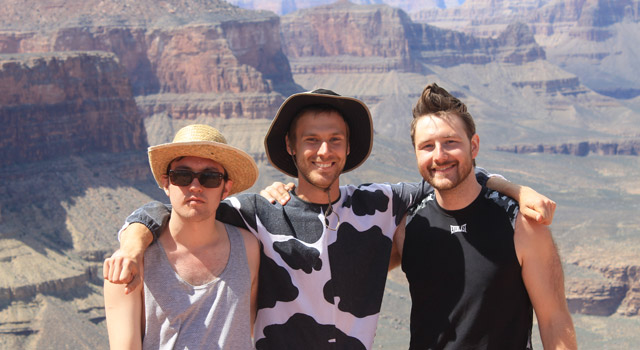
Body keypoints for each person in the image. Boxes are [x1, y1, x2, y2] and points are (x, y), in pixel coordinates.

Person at [104, 89, 555, 349]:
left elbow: (449, 175)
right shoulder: (257, 212)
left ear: (347, 147)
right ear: (291, 148)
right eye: (312, 140)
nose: (324, 150)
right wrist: (132, 242)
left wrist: (515, 189)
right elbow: (177, 208)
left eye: (335, 139)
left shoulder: (381, 204)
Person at [390, 83, 577, 349]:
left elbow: (554, 321)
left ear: (473, 146)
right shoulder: (407, 228)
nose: (439, 156)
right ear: (416, 154)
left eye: (450, 142)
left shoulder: (521, 225)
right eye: (427, 146)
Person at [103, 124, 260, 349]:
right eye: (183, 176)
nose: (195, 186)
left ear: (226, 188)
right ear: (166, 183)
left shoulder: (249, 248)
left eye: (210, 177)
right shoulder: (130, 263)